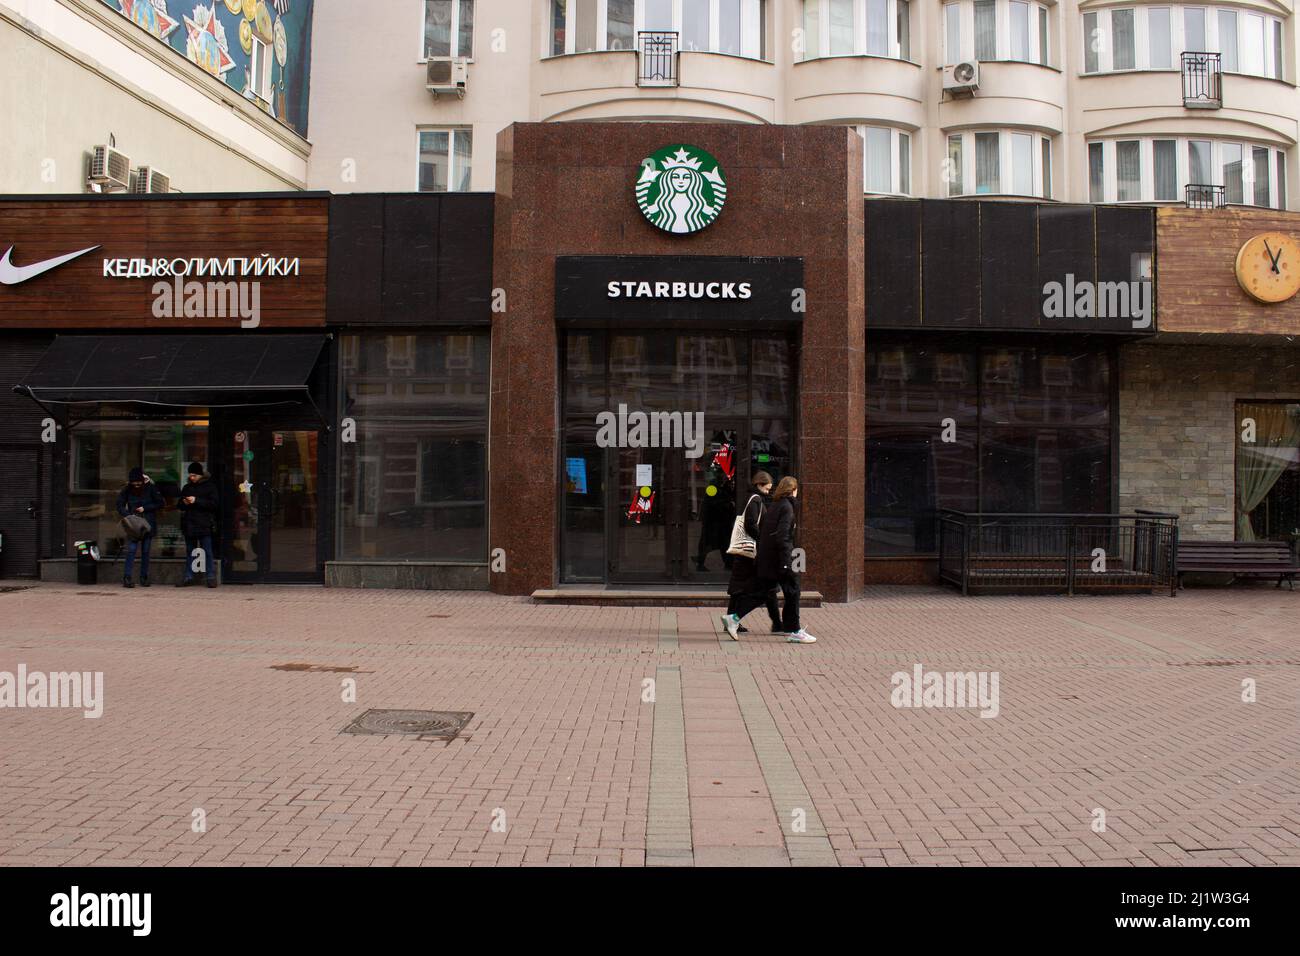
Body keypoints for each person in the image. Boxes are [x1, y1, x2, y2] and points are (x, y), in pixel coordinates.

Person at [719, 471, 782, 639]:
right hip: (750, 552)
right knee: (767, 588)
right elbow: (750, 524)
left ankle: (732, 620)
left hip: (746, 553)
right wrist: (762, 540)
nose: (768, 492)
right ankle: (776, 623)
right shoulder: (755, 499)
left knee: (741, 588)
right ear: (759, 484)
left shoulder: (749, 497)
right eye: (766, 488)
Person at [755, 476, 816, 644]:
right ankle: (794, 630)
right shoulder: (787, 507)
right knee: (793, 592)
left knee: (767, 592)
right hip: (781, 558)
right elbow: (783, 536)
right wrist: (787, 561)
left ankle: (734, 617)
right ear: (793, 490)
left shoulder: (775, 505)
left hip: (770, 557)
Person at [115, 467, 162, 588]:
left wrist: (145, 508)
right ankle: (127, 577)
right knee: (131, 551)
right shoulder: (127, 489)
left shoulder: (150, 488)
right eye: (134, 483)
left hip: (147, 524)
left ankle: (143, 577)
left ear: (142, 480)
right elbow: (119, 505)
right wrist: (128, 515)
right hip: (133, 524)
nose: (136, 485)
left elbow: (160, 503)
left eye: (138, 483)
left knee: (145, 551)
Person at [176, 461, 219, 588]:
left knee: (207, 551)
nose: (192, 477)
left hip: (204, 523)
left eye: (194, 475)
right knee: (190, 551)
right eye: (190, 475)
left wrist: (196, 500)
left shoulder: (210, 487)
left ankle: (210, 577)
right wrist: (184, 502)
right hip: (190, 523)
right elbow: (179, 505)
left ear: (201, 475)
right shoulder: (187, 487)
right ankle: (188, 577)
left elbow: (214, 504)